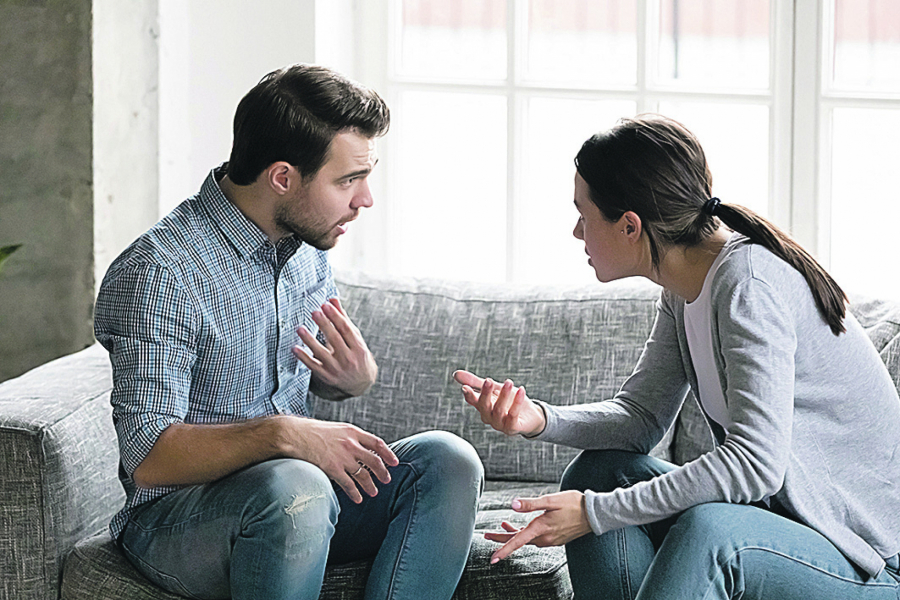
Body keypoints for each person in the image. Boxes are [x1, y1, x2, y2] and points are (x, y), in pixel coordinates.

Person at [454, 114, 900, 599]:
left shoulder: (748, 285)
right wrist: (538, 418)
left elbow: (754, 465)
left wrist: (593, 513)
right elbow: (640, 418)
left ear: (630, 226)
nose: (577, 232)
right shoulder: (683, 286)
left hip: (868, 562)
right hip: (792, 532)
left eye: (584, 213)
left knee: (712, 533)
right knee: (598, 473)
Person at [95, 63, 483, 600]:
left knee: (447, 461)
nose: (365, 199)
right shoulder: (160, 273)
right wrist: (283, 433)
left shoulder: (306, 247)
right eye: (348, 180)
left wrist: (350, 380)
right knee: (294, 484)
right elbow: (149, 461)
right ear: (283, 177)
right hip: (179, 520)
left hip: (299, 503)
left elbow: (292, 377)